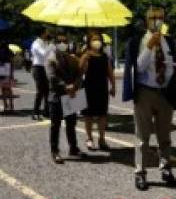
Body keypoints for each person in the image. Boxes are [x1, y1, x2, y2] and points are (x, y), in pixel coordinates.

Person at [123, 7, 176, 191]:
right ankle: (140, 173)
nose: (157, 20)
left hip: (165, 93)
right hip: (145, 93)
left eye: (160, 17)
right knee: (142, 137)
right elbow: (137, 68)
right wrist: (149, 46)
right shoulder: (137, 41)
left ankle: (166, 168)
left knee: (165, 136)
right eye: (153, 17)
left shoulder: (169, 41)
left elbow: (171, 65)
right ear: (147, 20)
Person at [47, 33, 81, 164]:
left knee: (72, 124)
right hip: (57, 95)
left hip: (72, 94)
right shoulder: (51, 58)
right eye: (60, 41)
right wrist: (67, 86)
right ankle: (55, 151)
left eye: (65, 41)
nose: (63, 44)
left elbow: (79, 73)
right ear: (55, 43)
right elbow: (52, 77)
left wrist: (76, 85)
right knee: (55, 125)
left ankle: (73, 147)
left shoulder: (72, 57)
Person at [80, 30, 115, 151]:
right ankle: (89, 138)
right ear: (89, 42)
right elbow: (80, 72)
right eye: (94, 39)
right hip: (89, 88)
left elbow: (110, 72)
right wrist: (84, 60)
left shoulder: (105, 56)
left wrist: (113, 86)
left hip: (102, 88)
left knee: (102, 115)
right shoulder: (85, 55)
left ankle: (102, 139)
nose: (97, 42)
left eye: (99, 39)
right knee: (88, 115)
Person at [31, 27, 53, 121]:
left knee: (47, 91)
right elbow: (44, 54)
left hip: (45, 67)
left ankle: (46, 112)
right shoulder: (37, 43)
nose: (48, 33)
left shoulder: (44, 42)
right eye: (46, 32)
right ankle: (35, 113)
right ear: (42, 33)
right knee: (40, 91)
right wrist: (51, 47)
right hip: (38, 68)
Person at [0, 41, 15, 114]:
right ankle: (11, 106)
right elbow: (12, 62)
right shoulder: (9, 51)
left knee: (3, 89)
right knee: (9, 89)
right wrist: (12, 72)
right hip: (7, 70)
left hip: (0, 70)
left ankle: (5, 105)